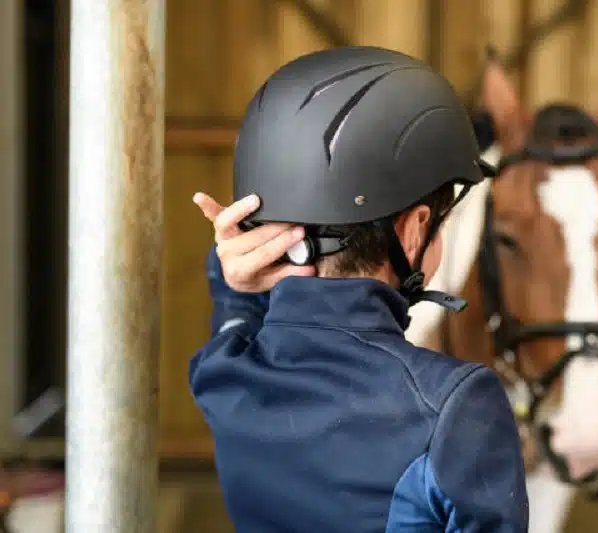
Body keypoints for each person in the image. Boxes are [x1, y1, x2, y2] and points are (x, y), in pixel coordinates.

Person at [190, 46, 528, 533]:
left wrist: (234, 275)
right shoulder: (455, 405)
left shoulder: (225, 375)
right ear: (415, 230)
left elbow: (235, 308)